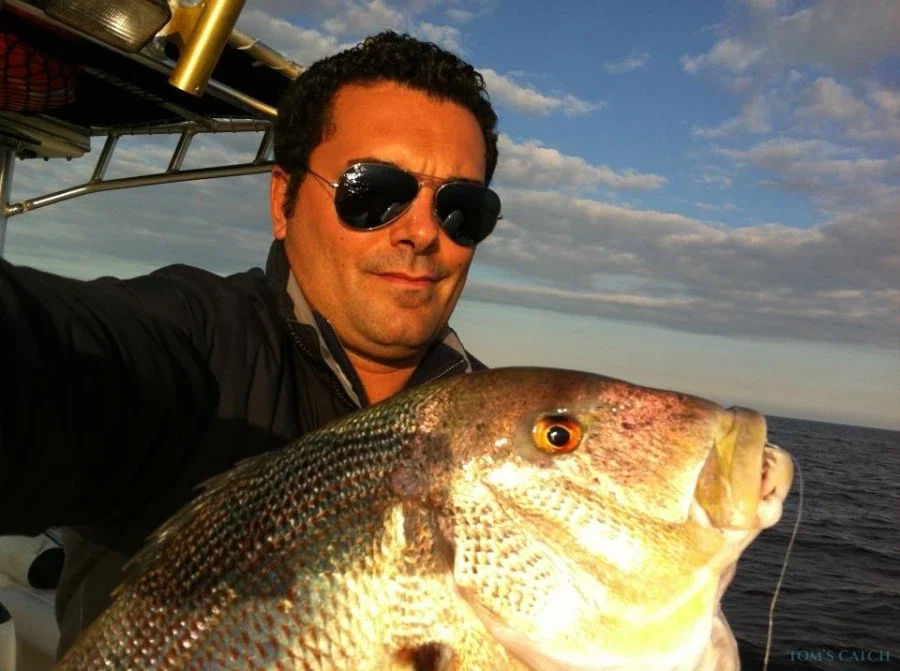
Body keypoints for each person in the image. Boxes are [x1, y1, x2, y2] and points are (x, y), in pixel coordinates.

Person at [0, 31, 501, 658]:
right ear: (282, 201)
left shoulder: (500, 425)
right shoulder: (196, 341)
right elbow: (52, 356)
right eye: (374, 193)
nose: (423, 232)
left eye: (461, 208)